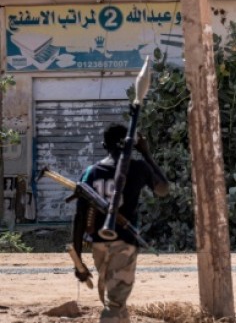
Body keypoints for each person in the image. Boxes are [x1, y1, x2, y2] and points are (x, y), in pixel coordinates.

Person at [71, 123, 170, 323]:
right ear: (130, 145)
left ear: (103, 145)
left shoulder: (91, 173)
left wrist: (78, 262)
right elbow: (163, 189)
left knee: (117, 301)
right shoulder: (139, 168)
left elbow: (79, 218)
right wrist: (147, 154)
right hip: (125, 244)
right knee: (115, 303)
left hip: (98, 244)